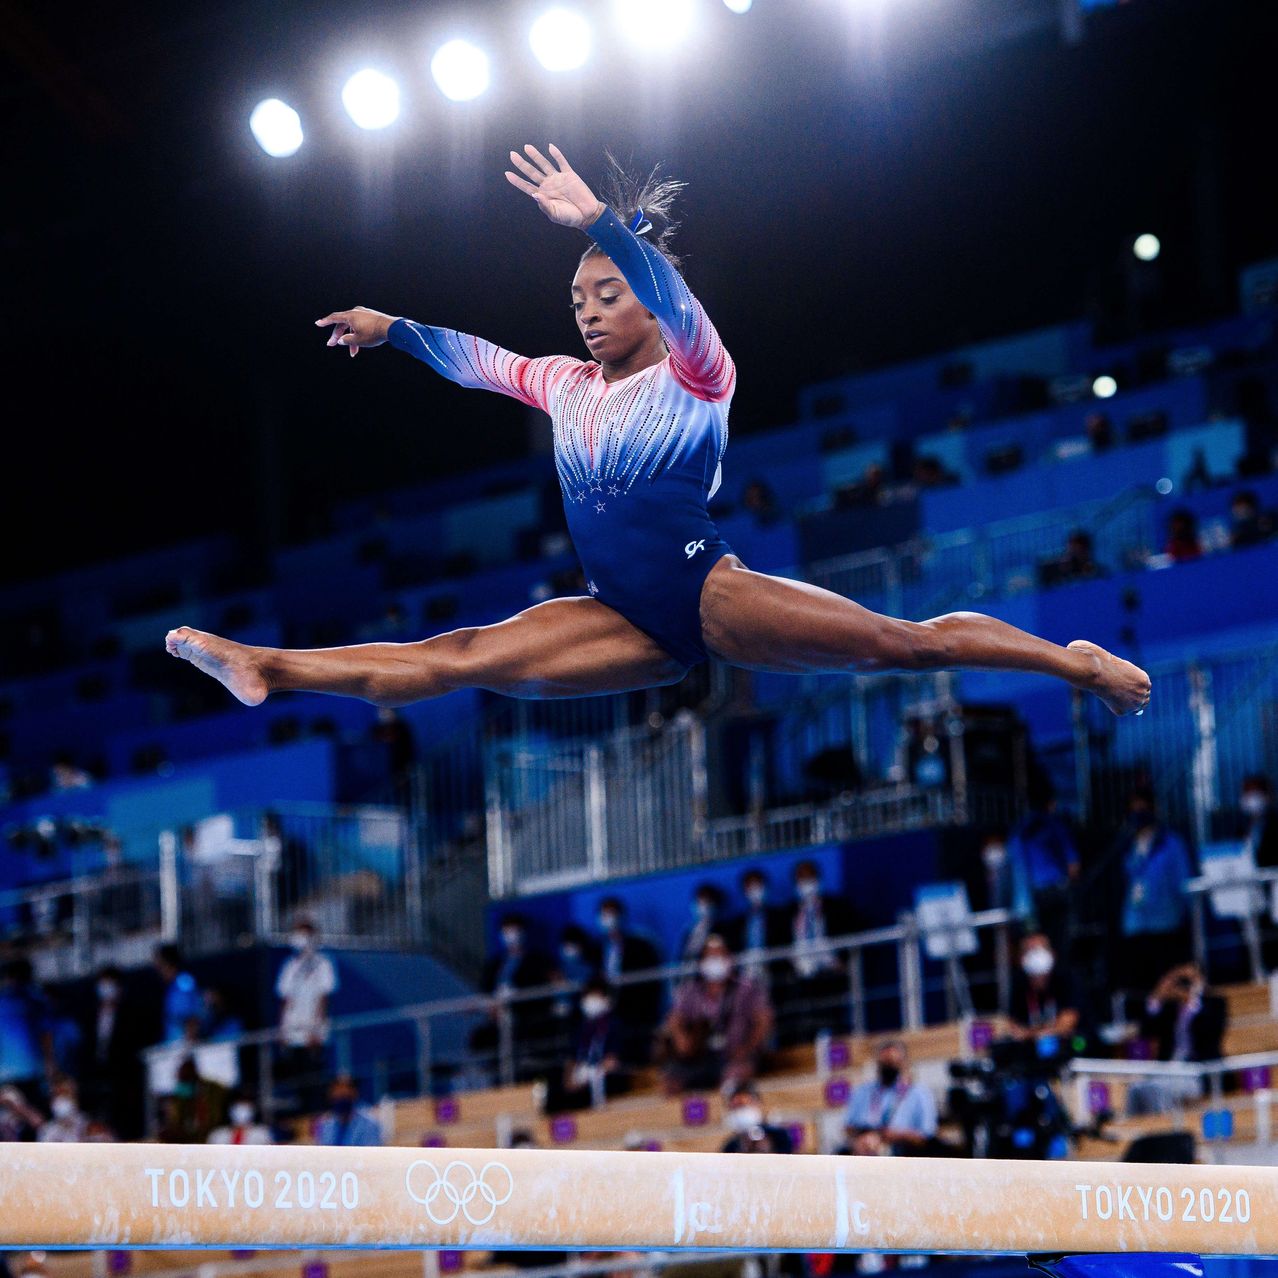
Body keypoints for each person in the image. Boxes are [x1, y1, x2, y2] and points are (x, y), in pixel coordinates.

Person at [164, 145, 1151, 730]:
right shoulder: (565, 385)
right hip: (622, 616)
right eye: (576, 298)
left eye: (608, 294)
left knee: (906, 645)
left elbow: (676, 300)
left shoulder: (696, 371)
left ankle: (1077, 663)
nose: (589, 312)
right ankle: (265, 664)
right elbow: (476, 358)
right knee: (462, 652)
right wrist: (394, 331)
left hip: (707, 594)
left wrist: (601, 223)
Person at [658, 935, 772, 1095]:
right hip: (700, 1057)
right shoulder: (689, 991)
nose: (715, 960)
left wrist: (748, 1048)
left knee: (733, 1078)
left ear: (729, 958)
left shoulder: (746, 988)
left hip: (735, 1056)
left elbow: (764, 1020)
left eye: (720, 955)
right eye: (710, 956)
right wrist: (682, 1039)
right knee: (671, 1081)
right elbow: (674, 1019)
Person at [1127, 963, 1227, 1117]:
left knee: (1157, 1089)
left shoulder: (1215, 1003)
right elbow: (1145, 1031)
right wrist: (1157, 996)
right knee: (1135, 1089)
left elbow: (1211, 1033)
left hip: (1197, 1071)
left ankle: (1162, 1126)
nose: (1183, 985)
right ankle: (1134, 1128)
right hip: (1168, 1068)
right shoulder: (1170, 1008)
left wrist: (1192, 1001)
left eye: (1188, 980)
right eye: (1180, 980)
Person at [1117, 789, 1192, 992]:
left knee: (1169, 979)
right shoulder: (1127, 845)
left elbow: (1183, 882)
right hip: (1136, 923)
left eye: (1142, 809)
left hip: (1166, 922)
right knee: (1144, 984)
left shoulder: (1171, 843)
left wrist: (1186, 914)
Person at [276, 918, 338, 1113]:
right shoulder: (290, 966)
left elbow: (323, 999)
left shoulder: (323, 964)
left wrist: (316, 1030)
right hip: (293, 1030)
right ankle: (302, 1115)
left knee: (314, 1075)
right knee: (297, 1077)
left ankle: (318, 1113)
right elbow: (286, 1000)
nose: (298, 939)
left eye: (302, 934)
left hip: (313, 1031)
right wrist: (283, 1030)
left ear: (312, 937)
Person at [82, 964, 149, 1140]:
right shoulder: (92, 1014)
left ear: (119, 987)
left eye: (110, 984)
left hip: (123, 1077)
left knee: (124, 1121)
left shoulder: (132, 1013)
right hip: (97, 1075)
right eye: (102, 984)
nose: (106, 989)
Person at [1007, 795, 1080, 952]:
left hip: (1026, 899)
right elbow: (1073, 864)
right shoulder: (1054, 825)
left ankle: (1042, 972)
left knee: (1035, 944)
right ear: (1051, 804)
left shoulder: (1018, 829)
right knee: (1057, 942)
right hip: (1053, 892)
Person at [546, 977, 629, 1112]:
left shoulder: (614, 1025)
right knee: (554, 1087)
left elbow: (612, 1060)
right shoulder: (583, 1027)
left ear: (606, 999)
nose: (589, 1000)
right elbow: (572, 1058)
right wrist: (569, 1080)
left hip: (602, 1075)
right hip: (581, 1075)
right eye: (587, 996)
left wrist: (591, 1076)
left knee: (595, 1086)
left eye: (594, 995)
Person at [844, 1041, 937, 1156]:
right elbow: (849, 1126)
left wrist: (895, 1135)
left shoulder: (920, 1093)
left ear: (904, 1062)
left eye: (893, 1062)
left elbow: (926, 1135)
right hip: (867, 1147)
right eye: (885, 1062)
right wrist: (867, 1137)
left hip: (905, 1151)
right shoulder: (863, 1091)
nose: (889, 1066)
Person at [1006, 933, 1081, 1041]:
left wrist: (1030, 1034)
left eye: (1040, 950)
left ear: (1052, 954)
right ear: (1021, 958)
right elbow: (1013, 1026)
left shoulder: (1066, 977)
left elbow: (1067, 1023)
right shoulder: (1018, 983)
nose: (1036, 956)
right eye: (1030, 951)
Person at [0, 958, 54, 1105]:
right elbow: (47, 1036)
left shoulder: (35, 1001)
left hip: (14, 1074)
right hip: (29, 1073)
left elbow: (46, 1035)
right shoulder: (37, 1001)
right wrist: (50, 1067)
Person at [720, 1080, 793, 1154]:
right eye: (734, 1108)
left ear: (757, 1103)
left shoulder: (779, 1136)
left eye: (742, 1105)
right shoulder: (730, 1147)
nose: (738, 1112)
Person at [313, 1075, 382, 1146]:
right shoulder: (326, 1126)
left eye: (344, 1095)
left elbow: (370, 1154)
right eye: (337, 1094)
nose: (340, 1094)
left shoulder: (369, 1125)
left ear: (355, 1093)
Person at [153, 944, 202, 1044]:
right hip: (173, 1044)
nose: (156, 969)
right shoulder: (171, 987)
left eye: (159, 965)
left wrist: (187, 1047)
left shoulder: (183, 983)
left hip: (182, 1047)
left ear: (167, 963)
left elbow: (192, 1018)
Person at [36, 1077, 91, 1142]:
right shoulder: (47, 1130)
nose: (62, 1099)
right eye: (58, 1094)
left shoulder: (87, 1124)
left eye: (66, 1093)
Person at [1240, 774, 1278, 868]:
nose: (1251, 799)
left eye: (1256, 794)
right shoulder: (1242, 827)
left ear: (1267, 796)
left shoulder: (1275, 823)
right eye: (1247, 793)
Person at [208, 1092, 274, 1144]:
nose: (242, 1111)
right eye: (238, 1107)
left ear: (253, 1110)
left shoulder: (262, 1134)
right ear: (230, 1110)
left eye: (246, 1107)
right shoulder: (218, 1135)